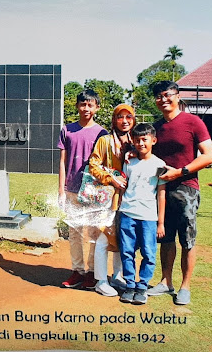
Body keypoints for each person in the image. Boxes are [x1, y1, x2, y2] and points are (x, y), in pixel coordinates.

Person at [147, 81, 212, 305]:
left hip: (187, 189)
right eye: (158, 96)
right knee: (165, 238)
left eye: (167, 95)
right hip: (162, 191)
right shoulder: (156, 128)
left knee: (187, 240)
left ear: (177, 96)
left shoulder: (193, 121)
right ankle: (166, 282)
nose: (163, 99)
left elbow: (208, 156)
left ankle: (185, 286)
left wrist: (180, 172)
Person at [57, 89, 108, 289]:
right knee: (75, 232)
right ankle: (77, 271)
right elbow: (62, 161)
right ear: (77, 106)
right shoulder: (66, 130)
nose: (86, 108)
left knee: (95, 233)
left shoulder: (102, 133)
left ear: (97, 107)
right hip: (72, 188)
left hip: (94, 190)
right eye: (83, 104)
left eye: (90, 105)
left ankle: (93, 272)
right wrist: (61, 189)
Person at [88, 104, 135, 297]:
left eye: (128, 117)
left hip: (130, 199)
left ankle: (118, 276)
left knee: (122, 239)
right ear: (114, 120)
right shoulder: (105, 141)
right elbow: (93, 164)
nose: (124, 121)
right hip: (107, 198)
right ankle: (100, 280)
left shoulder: (137, 141)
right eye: (120, 117)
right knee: (102, 238)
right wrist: (110, 178)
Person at [117, 123, 166, 305]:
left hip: (148, 217)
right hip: (128, 213)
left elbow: (161, 194)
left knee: (148, 252)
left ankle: (142, 286)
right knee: (127, 251)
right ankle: (130, 285)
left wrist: (160, 222)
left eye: (144, 140)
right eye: (137, 140)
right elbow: (124, 186)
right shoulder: (129, 161)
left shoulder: (160, 165)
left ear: (153, 140)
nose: (141, 143)